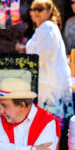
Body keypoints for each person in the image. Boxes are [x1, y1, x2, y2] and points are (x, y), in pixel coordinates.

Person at [17, 0, 72, 129]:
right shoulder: (43, 28)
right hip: (47, 84)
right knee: (50, 125)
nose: (35, 13)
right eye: (32, 10)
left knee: (51, 126)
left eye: (39, 9)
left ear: (49, 11)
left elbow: (41, 56)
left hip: (51, 86)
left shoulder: (48, 27)